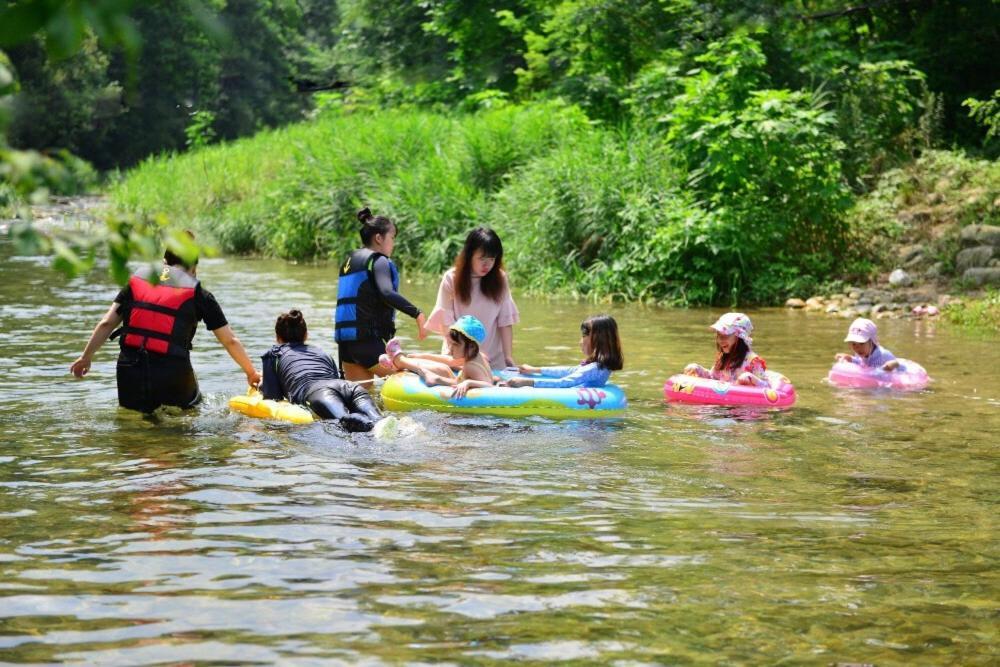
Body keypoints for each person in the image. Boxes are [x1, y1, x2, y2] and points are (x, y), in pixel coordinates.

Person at [70, 237, 261, 413]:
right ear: (194, 267)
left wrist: (85, 357)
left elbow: (106, 323)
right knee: (187, 417)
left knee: (133, 424)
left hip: (130, 370)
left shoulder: (136, 283)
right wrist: (251, 373)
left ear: (164, 262)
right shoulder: (199, 295)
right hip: (172, 372)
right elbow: (230, 341)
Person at [334, 207, 427, 384]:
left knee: (363, 399)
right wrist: (418, 314)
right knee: (407, 380)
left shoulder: (348, 261)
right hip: (368, 342)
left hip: (346, 347)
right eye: (392, 238)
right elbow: (386, 292)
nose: (393, 243)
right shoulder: (378, 260)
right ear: (378, 238)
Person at [260, 310, 383, 432]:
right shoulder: (321, 352)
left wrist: (261, 386)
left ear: (277, 337)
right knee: (380, 422)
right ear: (306, 335)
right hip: (351, 387)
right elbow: (335, 379)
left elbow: (273, 398)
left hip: (319, 394)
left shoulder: (274, 354)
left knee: (345, 423)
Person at [425, 227, 518, 369]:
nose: (487, 265)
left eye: (491, 259)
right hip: (458, 357)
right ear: (469, 256)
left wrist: (508, 357)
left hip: (493, 360)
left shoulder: (500, 279)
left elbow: (505, 321)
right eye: (482, 258)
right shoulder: (452, 278)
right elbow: (446, 321)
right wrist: (459, 355)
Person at [381, 315, 493, 398]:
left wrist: (468, 383)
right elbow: (450, 361)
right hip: (455, 379)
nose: (450, 349)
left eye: (455, 345)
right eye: (450, 344)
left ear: (472, 346)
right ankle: (400, 363)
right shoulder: (475, 355)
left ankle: (400, 360)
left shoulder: (471, 367)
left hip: (450, 383)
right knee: (444, 368)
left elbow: (488, 385)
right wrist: (422, 355)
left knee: (441, 370)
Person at [503, 314, 623, 388]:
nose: (580, 341)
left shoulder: (595, 368)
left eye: (584, 335)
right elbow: (569, 371)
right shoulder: (599, 367)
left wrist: (526, 382)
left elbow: (564, 382)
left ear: (598, 340)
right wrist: (535, 370)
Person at [684, 312, 767, 386]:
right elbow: (712, 378)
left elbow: (767, 388)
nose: (720, 340)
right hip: (723, 401)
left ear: (740, 337)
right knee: (693, 368)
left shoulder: (753, 361)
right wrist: (698, 370)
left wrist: (752, 379)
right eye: (718, 335)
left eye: (725, 336)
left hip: (741, 402)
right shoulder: (723, 358)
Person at [835, 317, 901, 371]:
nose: (857, 348)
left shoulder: (882, 355)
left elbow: (898, 367)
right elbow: (862, 362)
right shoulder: (861, 352)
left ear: (872, 341)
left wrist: (893, 365)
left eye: (861, 343)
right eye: (853, 344)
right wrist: (850, 359)